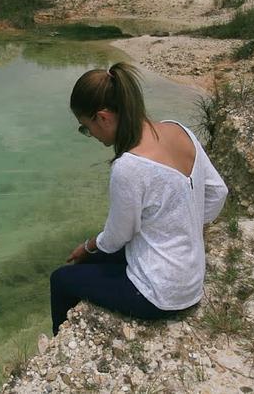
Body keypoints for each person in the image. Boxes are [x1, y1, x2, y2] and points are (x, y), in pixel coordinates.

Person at [50, 62, 228, 336]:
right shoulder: (179, 130)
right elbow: (218, 192)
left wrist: (88, 246)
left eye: (86, 128)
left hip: (159, 295)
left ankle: (59, 349)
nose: (91, 136)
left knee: (61, 280)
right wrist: (186, 228)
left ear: (103, 118)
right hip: (192, 281)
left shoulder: (129, 167)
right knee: (93, 261)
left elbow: (119, 235)